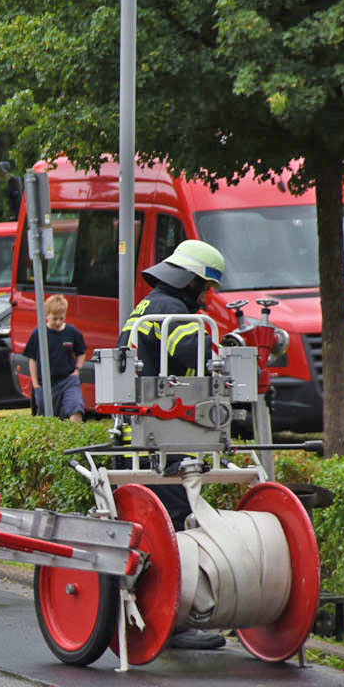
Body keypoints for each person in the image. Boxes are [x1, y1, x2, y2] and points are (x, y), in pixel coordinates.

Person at [118, 239, 228, 651]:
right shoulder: (172, 312)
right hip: (167, 428)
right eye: (205, 288)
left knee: (161, 515)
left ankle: (162, 611)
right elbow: (195, 354)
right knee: (178, 518)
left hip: (146, 427)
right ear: (193, 281)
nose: (206, 296)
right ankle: (178, 621)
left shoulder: (147, 306)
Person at [24, 293, 87, 421]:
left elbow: (81, 352)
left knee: (76, 408)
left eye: (61, 318)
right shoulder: (38, 333)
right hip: (45, 384)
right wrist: (36, 386)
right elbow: (32, 361)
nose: (58, 322)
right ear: (46, 315)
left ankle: (75, 437)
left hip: (68, 380)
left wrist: (77, 370)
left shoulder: (72, 332)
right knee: (47, 418)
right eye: (54, 319)